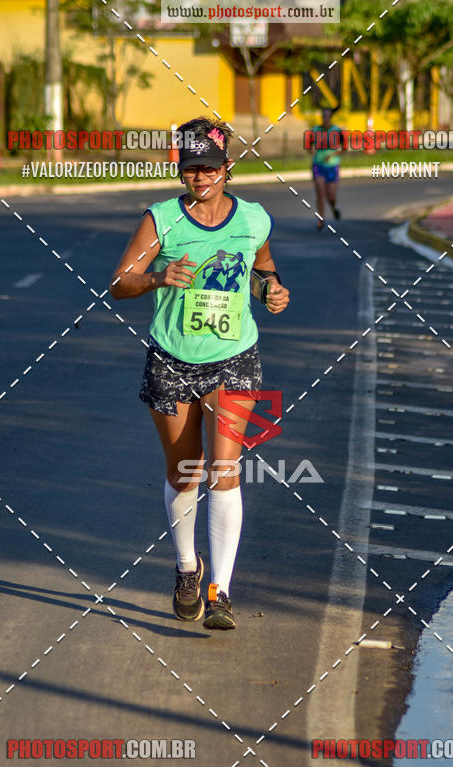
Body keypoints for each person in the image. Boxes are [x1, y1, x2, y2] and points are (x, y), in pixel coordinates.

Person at [109, 117, 290, 630]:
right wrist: (159, 277)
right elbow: (120, 284)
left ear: (228, 168)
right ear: (180, 170)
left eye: (209, 168)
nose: (200, 178)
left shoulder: (254, 218)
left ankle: (221, 592)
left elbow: (262, 269)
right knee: (184, 471)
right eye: (190, 170)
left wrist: (270, 292)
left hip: (235, 357)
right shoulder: (161, 220)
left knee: (224, 471)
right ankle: (188, 567)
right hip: (172, 359)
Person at [308, 107, 343, 230]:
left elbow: (344, 149)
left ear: (330, 117)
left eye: (327, 116)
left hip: (332, 166)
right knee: (320, 193)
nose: (325, 118)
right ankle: (320, 219)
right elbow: (309, 146)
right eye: (323, 116)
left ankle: (334, 207)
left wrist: (332, 155)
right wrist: (311, 149)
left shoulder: (337, 131)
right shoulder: (315, 130)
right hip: (318, 165)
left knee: (331, 196)